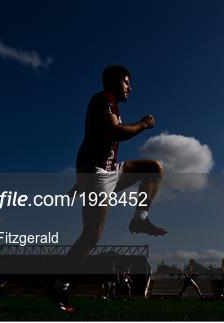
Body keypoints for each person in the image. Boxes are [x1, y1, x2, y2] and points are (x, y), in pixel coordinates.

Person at [66, 65, 167, 266]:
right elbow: (115, 132)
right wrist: (144, 124)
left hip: (110, 170)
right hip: (98, 174)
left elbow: (95, 139)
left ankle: (140, 219)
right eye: (127, 83)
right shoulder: (103, 99)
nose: (130, 88)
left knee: (153, 169)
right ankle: (61, 283)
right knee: (92, 235)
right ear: (115, 82)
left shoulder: (110, 104)